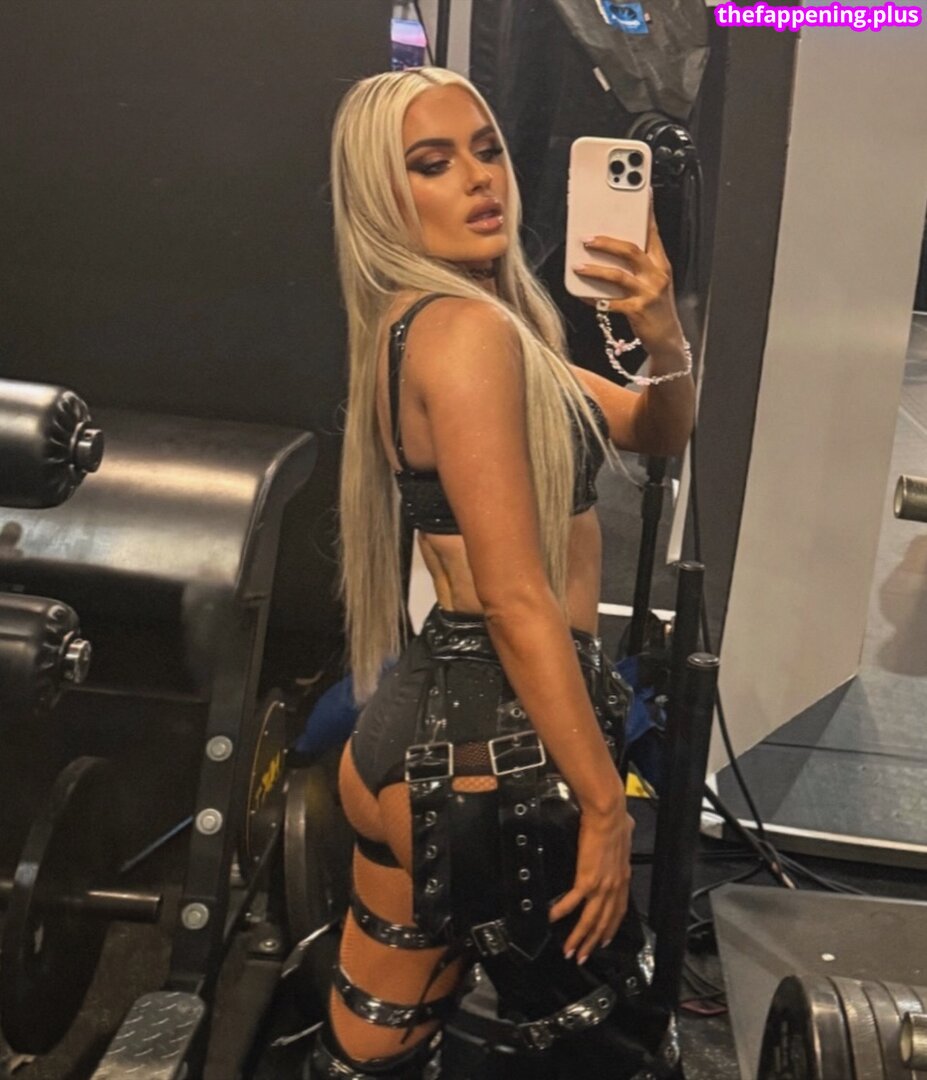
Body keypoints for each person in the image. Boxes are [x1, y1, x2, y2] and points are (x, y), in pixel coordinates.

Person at [315, 65, 695, 1080]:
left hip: (423, 742)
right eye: (432, 163)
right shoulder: (467, 335)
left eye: (485, 150)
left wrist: (660, 330)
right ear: (381, 194)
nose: (479, 178)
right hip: (488, 751)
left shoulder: (450, 326)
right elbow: (517, 599)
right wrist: (605, 805)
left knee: (373, 1042)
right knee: (607, 1050)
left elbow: (655, 426)